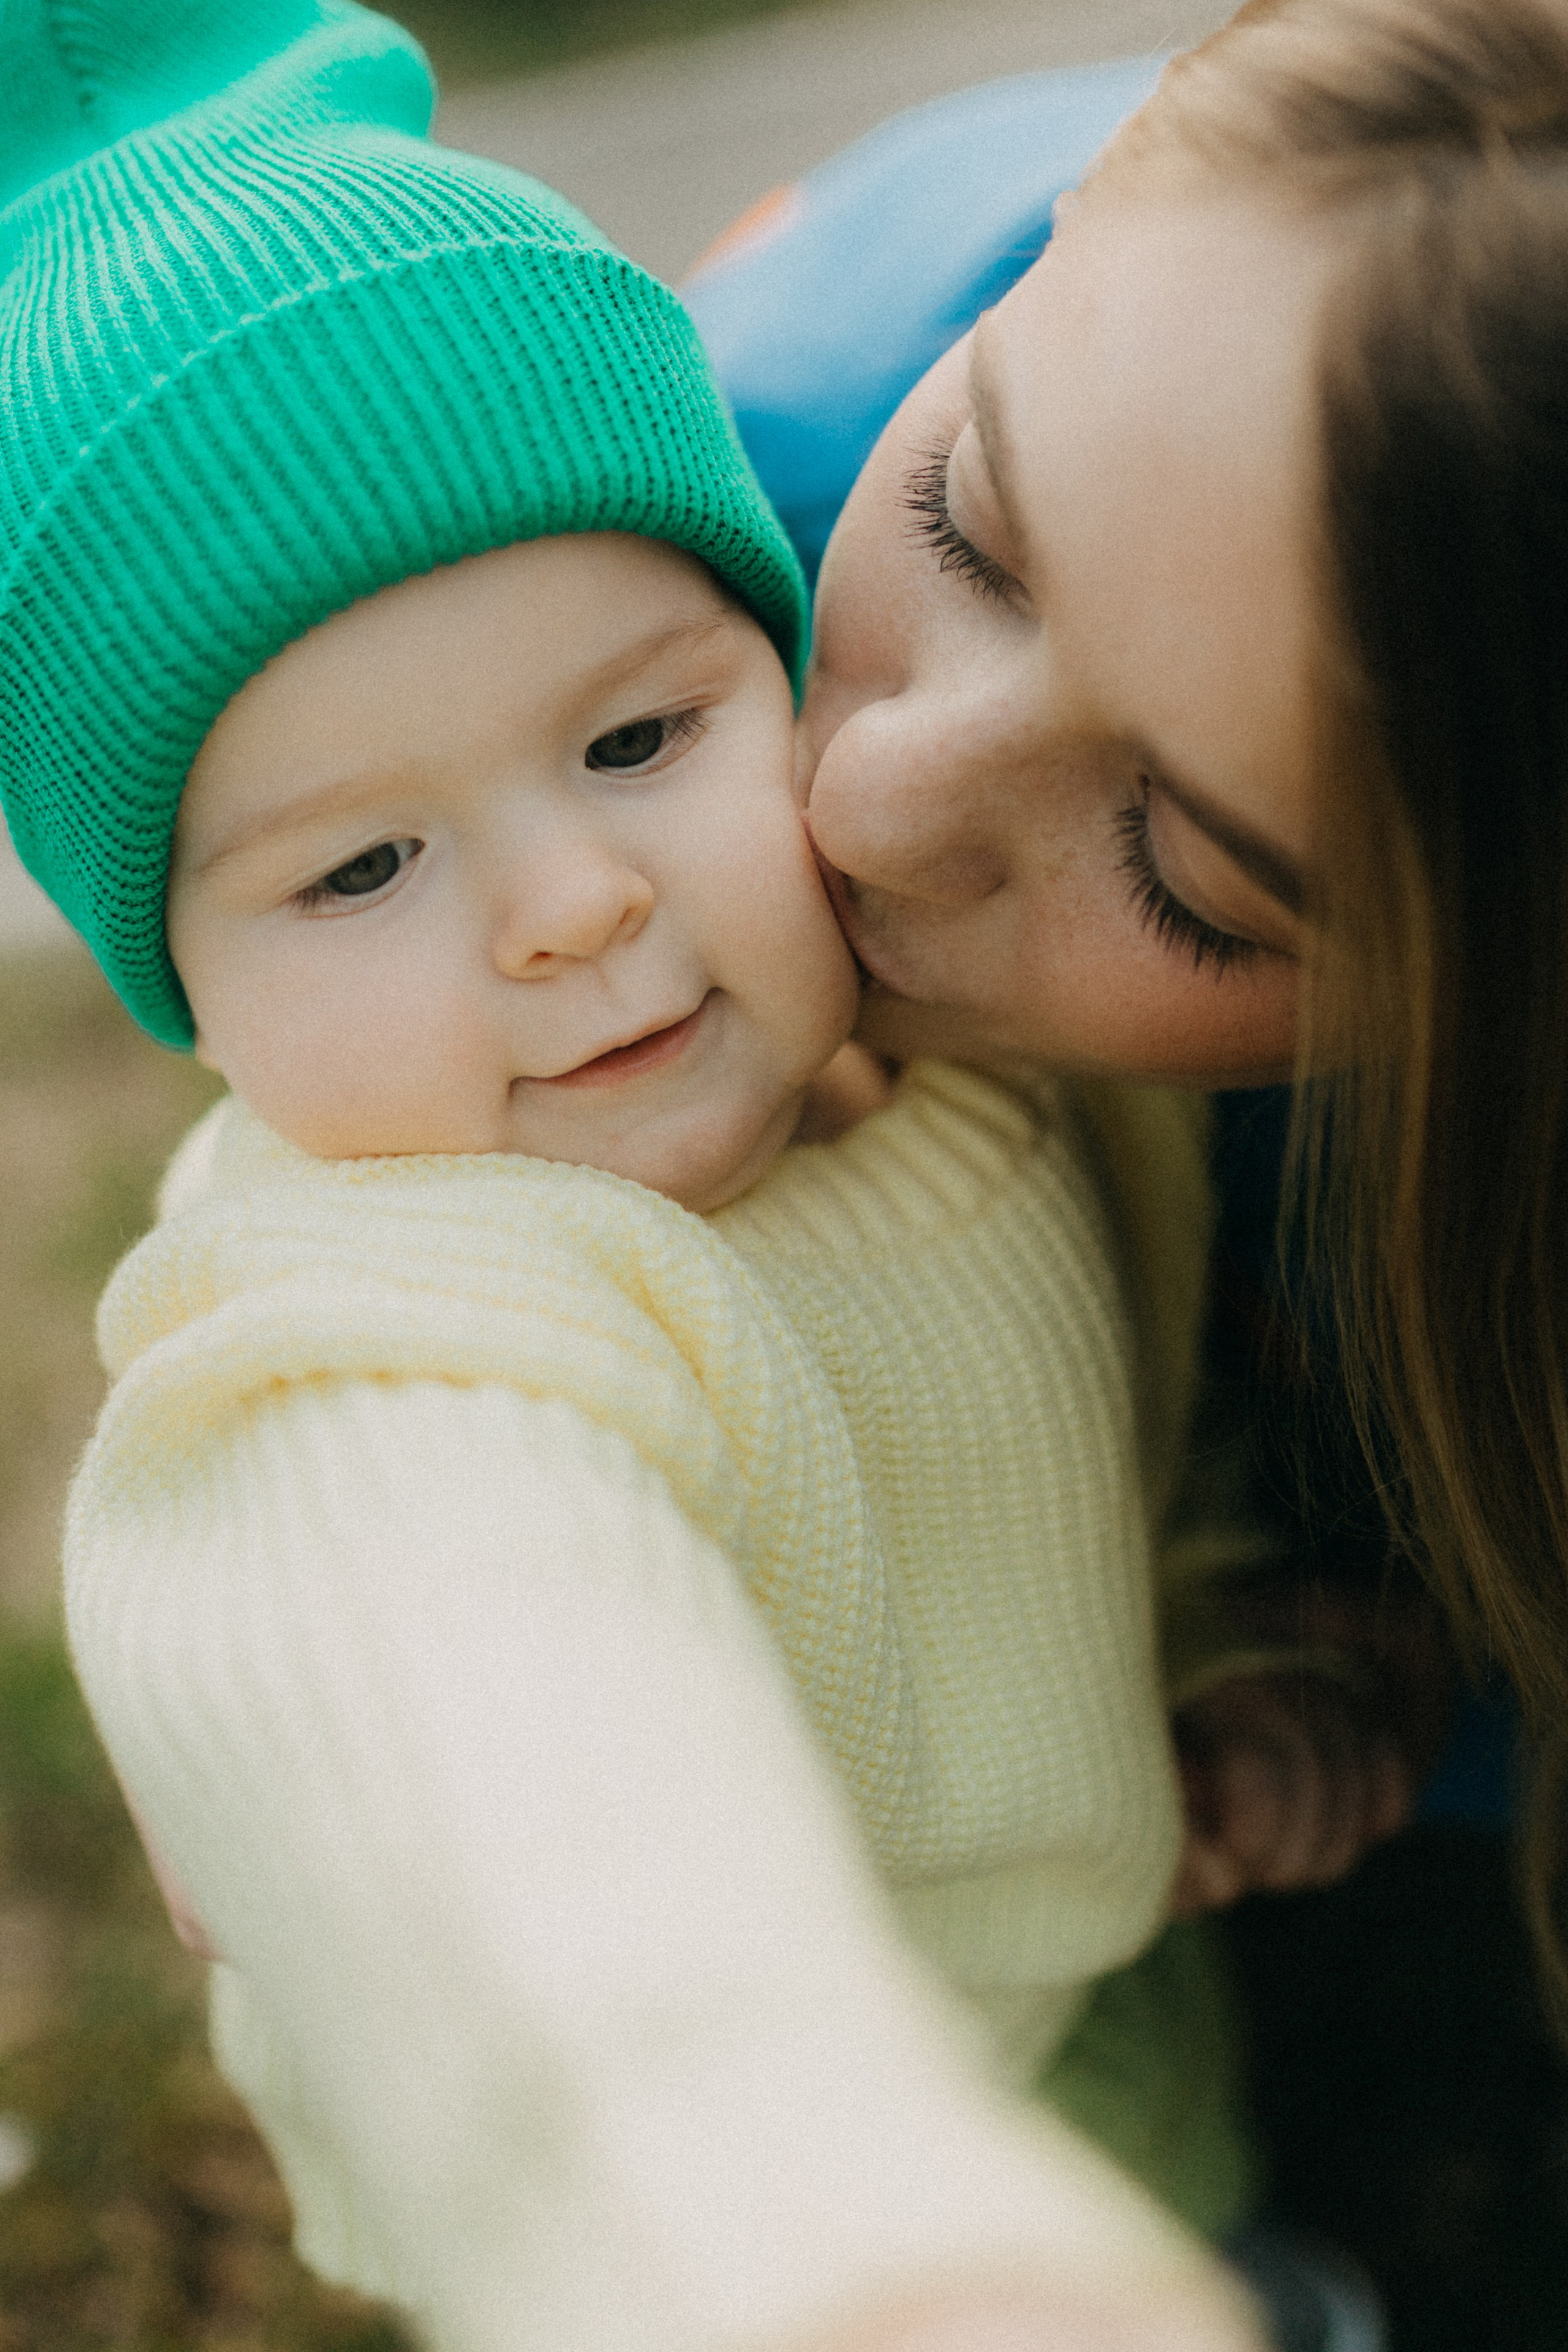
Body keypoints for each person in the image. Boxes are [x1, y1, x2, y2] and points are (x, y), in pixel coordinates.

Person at [0, 3, 1390, 2348]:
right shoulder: (394, 1332)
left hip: (1096, 2016)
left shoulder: (964, 1050)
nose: (571, 902)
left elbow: (1087, 1433)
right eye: (358, 873)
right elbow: (502, 1762)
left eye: (643, 733)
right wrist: (834, 2252)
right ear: (182, 1002)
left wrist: (1241, 1641)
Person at [687, 0, 1568, 2004]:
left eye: (1189, 878)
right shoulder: (720, 462)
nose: (867, 801)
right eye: (965, 527)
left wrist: (1388, 1674)